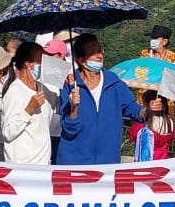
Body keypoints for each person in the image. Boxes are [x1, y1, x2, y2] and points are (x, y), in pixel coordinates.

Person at [58, 34, 143, 165]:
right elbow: (69, 129)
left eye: (99, 50)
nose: (99, 55)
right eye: (93, 52)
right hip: (74, 163)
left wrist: (148, 112)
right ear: (81, 60)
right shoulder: (70, 86)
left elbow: (133, 108)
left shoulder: (114, 83)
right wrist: (74, 108)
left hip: (107, 164)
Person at [0, 42, 53, 165]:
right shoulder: (14, 91)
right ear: (28, 64)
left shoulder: (42, 88)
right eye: (41, 61)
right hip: (23, 167)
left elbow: (59, 110)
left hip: (43, 163)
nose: (45, 65)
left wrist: (68, 84)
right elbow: (7, 133)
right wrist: (29, 109)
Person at [131, 90, 175, 160]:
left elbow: (133, 135)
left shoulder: (145, 124)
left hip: (147, 160)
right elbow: (172, 136)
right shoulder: (169, 121)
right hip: (163, 159)